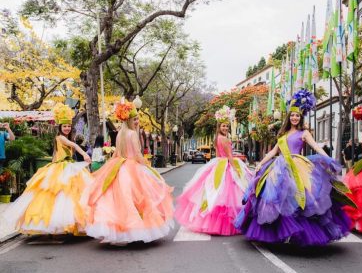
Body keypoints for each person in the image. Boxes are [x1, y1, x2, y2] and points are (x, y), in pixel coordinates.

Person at [235, 90, 353, 246]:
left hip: (298, 167)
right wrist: (260, 164)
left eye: (297, 115)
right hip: (279, 167)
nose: (295, 118)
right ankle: (282, 231)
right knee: (278, 199)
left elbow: (316, 147)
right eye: (292, 115)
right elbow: (273, 151)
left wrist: (328, 159)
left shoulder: (304, 133)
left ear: (300, 117)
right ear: (289, 117)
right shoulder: (282, 135)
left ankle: (298, 232)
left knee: (300, 198)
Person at [82, 101, 173, 244]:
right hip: (132, 167)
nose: (137, 122)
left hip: (119, 165)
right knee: (138, 198)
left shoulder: (119, 135)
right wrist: (147, 167)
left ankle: (121, 232)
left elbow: (116, 153)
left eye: (137, 119)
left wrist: (109, 167)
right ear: (129, 120)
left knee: (119, 200)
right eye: (135, 119)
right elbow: (137, 154)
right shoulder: (132, 134)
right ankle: (137, 230)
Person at [3, 104, 92, 235]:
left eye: (68, 126)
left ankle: (72, 223)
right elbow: (73, 145)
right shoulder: (60, 137)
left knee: (69, 194)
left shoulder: (64, 138)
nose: (67, 128)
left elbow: (56, 154)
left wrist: (52, 164)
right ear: (60, 127)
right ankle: (59, 224)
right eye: (64, 126)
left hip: (66, 165)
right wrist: (84, 154)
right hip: (62, 167)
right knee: (60, 195)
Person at [175, 105, 252, 235]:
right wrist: (237, 170)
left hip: (218, 164)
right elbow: (230, 156)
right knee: (229, 195)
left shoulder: (216, 139)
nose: (225, 128)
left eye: (227, 126)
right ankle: (230, 223)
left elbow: (217, 156)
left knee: (214, 192)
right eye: (223, 126)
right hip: (226, 164)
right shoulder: (226, 139)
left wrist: (218, 166)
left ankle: (212, 221)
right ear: (219, 127)